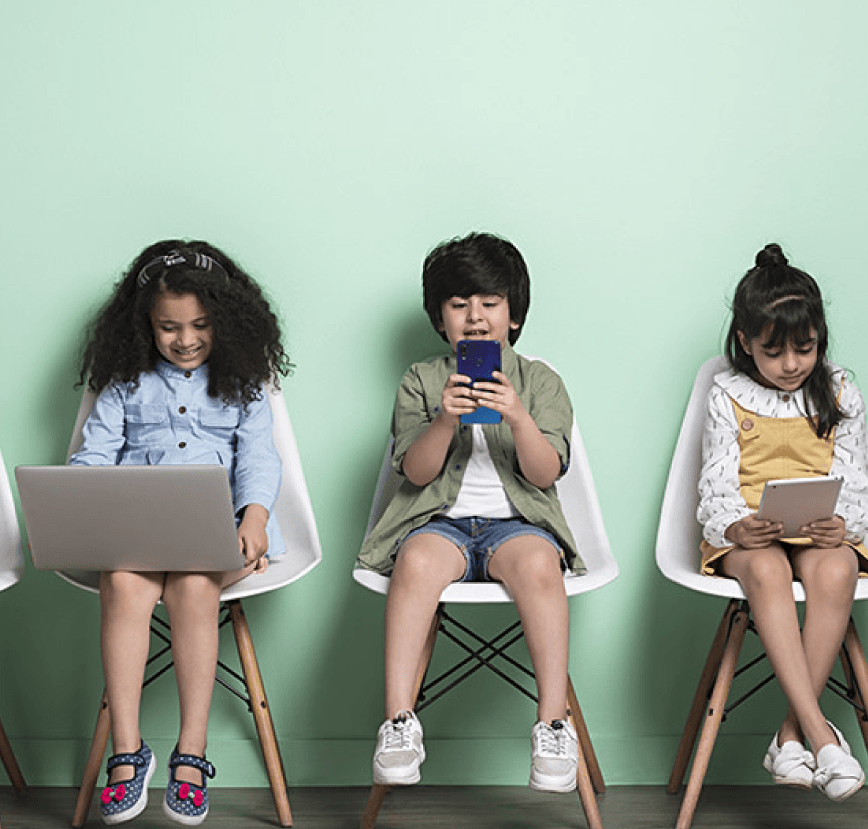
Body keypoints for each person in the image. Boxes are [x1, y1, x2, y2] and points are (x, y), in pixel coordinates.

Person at [70, 240, 291, 825]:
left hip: (221, 531)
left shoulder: (242, 384)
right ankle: (128, 749)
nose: (185, 339)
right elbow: (93, 456)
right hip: (138, 533)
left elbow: (260, 461)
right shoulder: (125, 383)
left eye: (200, 325)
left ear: (227, 323)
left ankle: (191, 754)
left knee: (195, 588)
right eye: (169, 327)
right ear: (145, 326)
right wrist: (79, 499)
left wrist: (256, 518)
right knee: (122, 581)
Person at [357, 231, 585, 793]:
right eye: (460, 305)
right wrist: (443, 420)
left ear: (514, 315)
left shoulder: (542, 382)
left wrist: (518, 418)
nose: (475, 318)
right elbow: (414, 473)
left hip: (518, 526)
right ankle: (399, 721)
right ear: (440, 318)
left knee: (539, 567)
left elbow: (544, 472)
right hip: (439, 524)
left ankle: (554, 722)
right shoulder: (421, 379)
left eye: (489, 304)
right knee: (415, 564)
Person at [697, 243, 868, 801]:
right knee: (767, 574)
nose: (792, 365)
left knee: (837, 571)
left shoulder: (839, 389)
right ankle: (821, 734)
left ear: (820, 339)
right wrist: (736, 527)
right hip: (752, 533)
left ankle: (791, 734)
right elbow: (716, 482)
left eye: (805, 349)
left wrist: (840, 524)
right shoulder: (728, 393)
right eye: (774, 353)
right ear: (745, 344)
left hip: (817, 532)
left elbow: (856, 475)